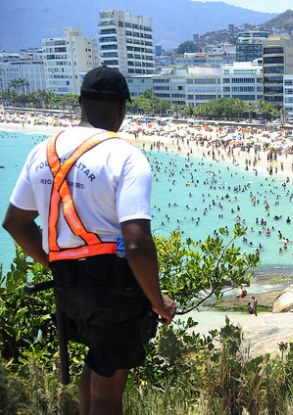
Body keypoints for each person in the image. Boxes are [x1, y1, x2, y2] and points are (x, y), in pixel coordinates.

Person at [2, 66, 176, 415]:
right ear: (122, 109)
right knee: (109, 390)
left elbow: (15, 224)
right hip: (113, 284)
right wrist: (158, 300)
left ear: (80, 102)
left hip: (67, 285)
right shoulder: (125, 155)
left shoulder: (42, 151)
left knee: (98, 364)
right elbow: (137, 241)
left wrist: (56, 262)